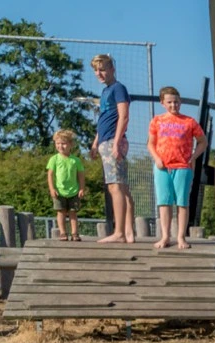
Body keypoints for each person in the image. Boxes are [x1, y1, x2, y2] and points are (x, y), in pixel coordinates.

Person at [146, 86, 206, 250]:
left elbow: (203, 141)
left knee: (182, 202)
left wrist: (193, 157)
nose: (173, 105)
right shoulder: (157, 121)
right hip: (162, 167)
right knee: (164, 202)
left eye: (176, 102)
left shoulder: (189, 122)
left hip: (183, 166)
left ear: (181, 102)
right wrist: (157, 158)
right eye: (170, 102)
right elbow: (150, 144)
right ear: (163, 103)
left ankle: (181, 237)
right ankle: (165, 236)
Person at [89, 53, 134, 244]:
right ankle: (129, 232)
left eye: (103, 69)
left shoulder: (118, 88)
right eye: (96, 70)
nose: (99, 73)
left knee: (115, 187)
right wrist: (95, 142)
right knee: (121, 187)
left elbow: (123, 116)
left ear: (112, 69)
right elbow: (104, 119)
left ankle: (119, 232)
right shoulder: (105, 91)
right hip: (105, 140)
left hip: (113, 141)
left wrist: (116, 142)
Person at [46, 129, 88, 242]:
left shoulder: (76, 160)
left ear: (70, 144)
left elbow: (81, 175)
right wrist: (52, 189)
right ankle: (63, 232)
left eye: (63, 143)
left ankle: (74, 233)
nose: (60, 146)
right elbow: (50, 175)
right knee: (61, 212)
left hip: (73, 191)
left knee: (73, 212)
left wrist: (81, 188)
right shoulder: (54, 159)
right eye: (58, 143)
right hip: (59, 191)